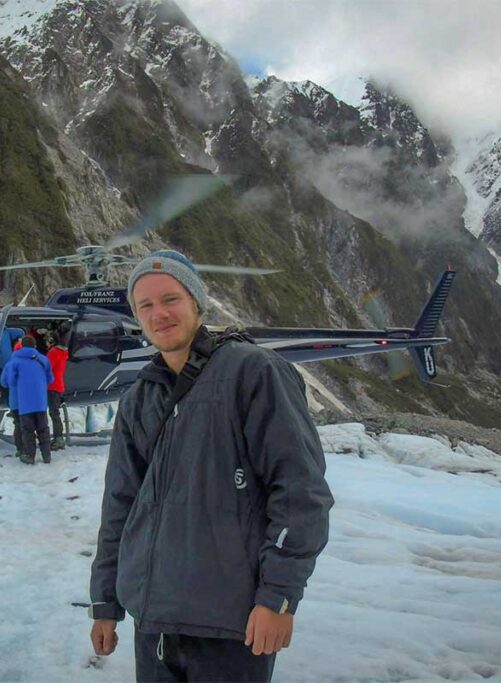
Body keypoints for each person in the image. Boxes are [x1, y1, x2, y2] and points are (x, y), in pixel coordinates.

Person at [88, 250, 334, 682]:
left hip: (229, 626)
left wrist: (278, 597)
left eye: (170, 299)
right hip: (153, 625)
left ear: (197, 303)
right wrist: (105, 602)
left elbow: (300, 493)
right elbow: (121, 506)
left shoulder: (253, 372)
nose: (158, 314)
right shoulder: (139, 398)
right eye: (144, 305)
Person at [1, 335, 54, 465]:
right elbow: (50, 379)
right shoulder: (43, 359)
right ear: (35, 345)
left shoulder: (14, 362)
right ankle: (47, 456)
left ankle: (29, 456)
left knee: (27, 430)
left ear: (22, 346)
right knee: (43, 428)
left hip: (24, 402)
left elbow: (10, 382)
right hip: (40, 401)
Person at [45, 332, 70, 450]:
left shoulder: (53, 353)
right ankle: (58, 437)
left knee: (54, 413)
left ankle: (58, 438)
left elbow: (47, 367)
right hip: (59, 385)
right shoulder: (63, 353)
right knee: (55, 413)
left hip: (52, 386)